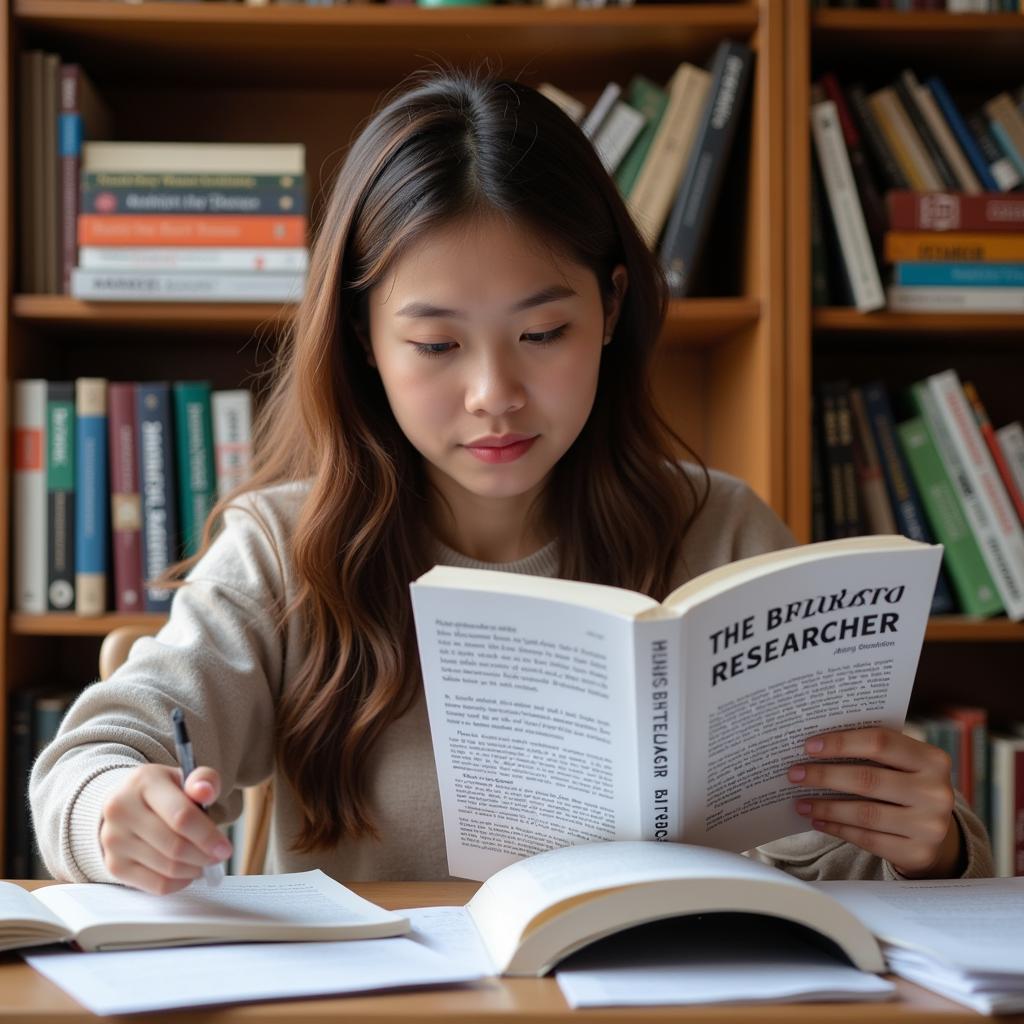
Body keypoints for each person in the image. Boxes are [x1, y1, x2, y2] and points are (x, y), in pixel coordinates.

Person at [30, 69, 991, 895]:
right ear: (365, 340)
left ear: (611, 308)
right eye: (436, 343)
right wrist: (112, 807)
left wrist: (930, 841)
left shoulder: (722, 530)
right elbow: (92, 757)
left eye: (543, 335)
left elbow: (846, 872)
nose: (496, 395)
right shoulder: (284, 548)